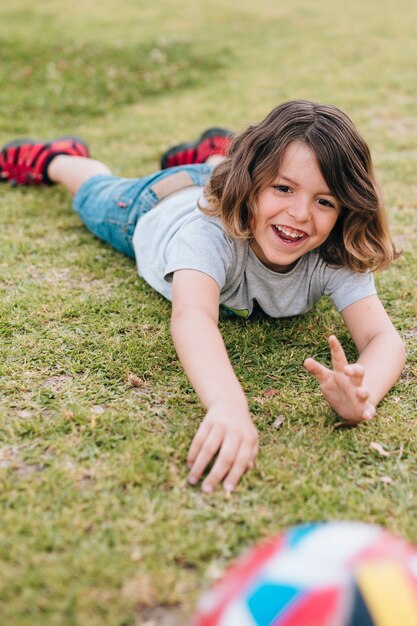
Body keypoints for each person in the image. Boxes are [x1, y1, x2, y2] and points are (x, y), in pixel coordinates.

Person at [0, 100, 406, 494]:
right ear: (252, 182)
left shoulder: (334, 252)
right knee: (93, 191)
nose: (301, 213)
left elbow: (382, 340)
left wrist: (362, 393)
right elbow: (194, 317)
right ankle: (59, 158)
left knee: (223, 172)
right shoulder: (207, 235)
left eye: (324, 200)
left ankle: (216, 154)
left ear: (346, 208)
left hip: (223, 177)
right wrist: (228, 405)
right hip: (157, 202)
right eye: (283, 188)